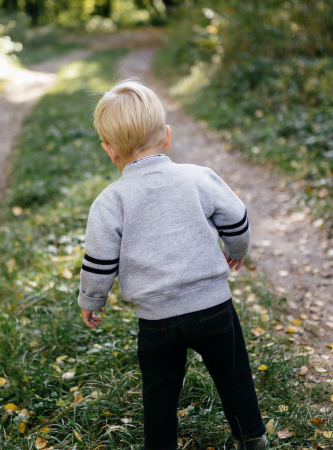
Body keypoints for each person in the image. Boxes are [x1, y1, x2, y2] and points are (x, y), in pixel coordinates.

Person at [77, 80, 267, 450]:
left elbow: (99, 261)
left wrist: (91, 301)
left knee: (159, 392)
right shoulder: (198, 177)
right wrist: (236, 250)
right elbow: (237, 217)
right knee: (234, 376)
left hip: (157, 320)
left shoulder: (110, 201)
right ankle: (252, 438)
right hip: (213, 308)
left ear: (109, 150)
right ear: (166, 136)